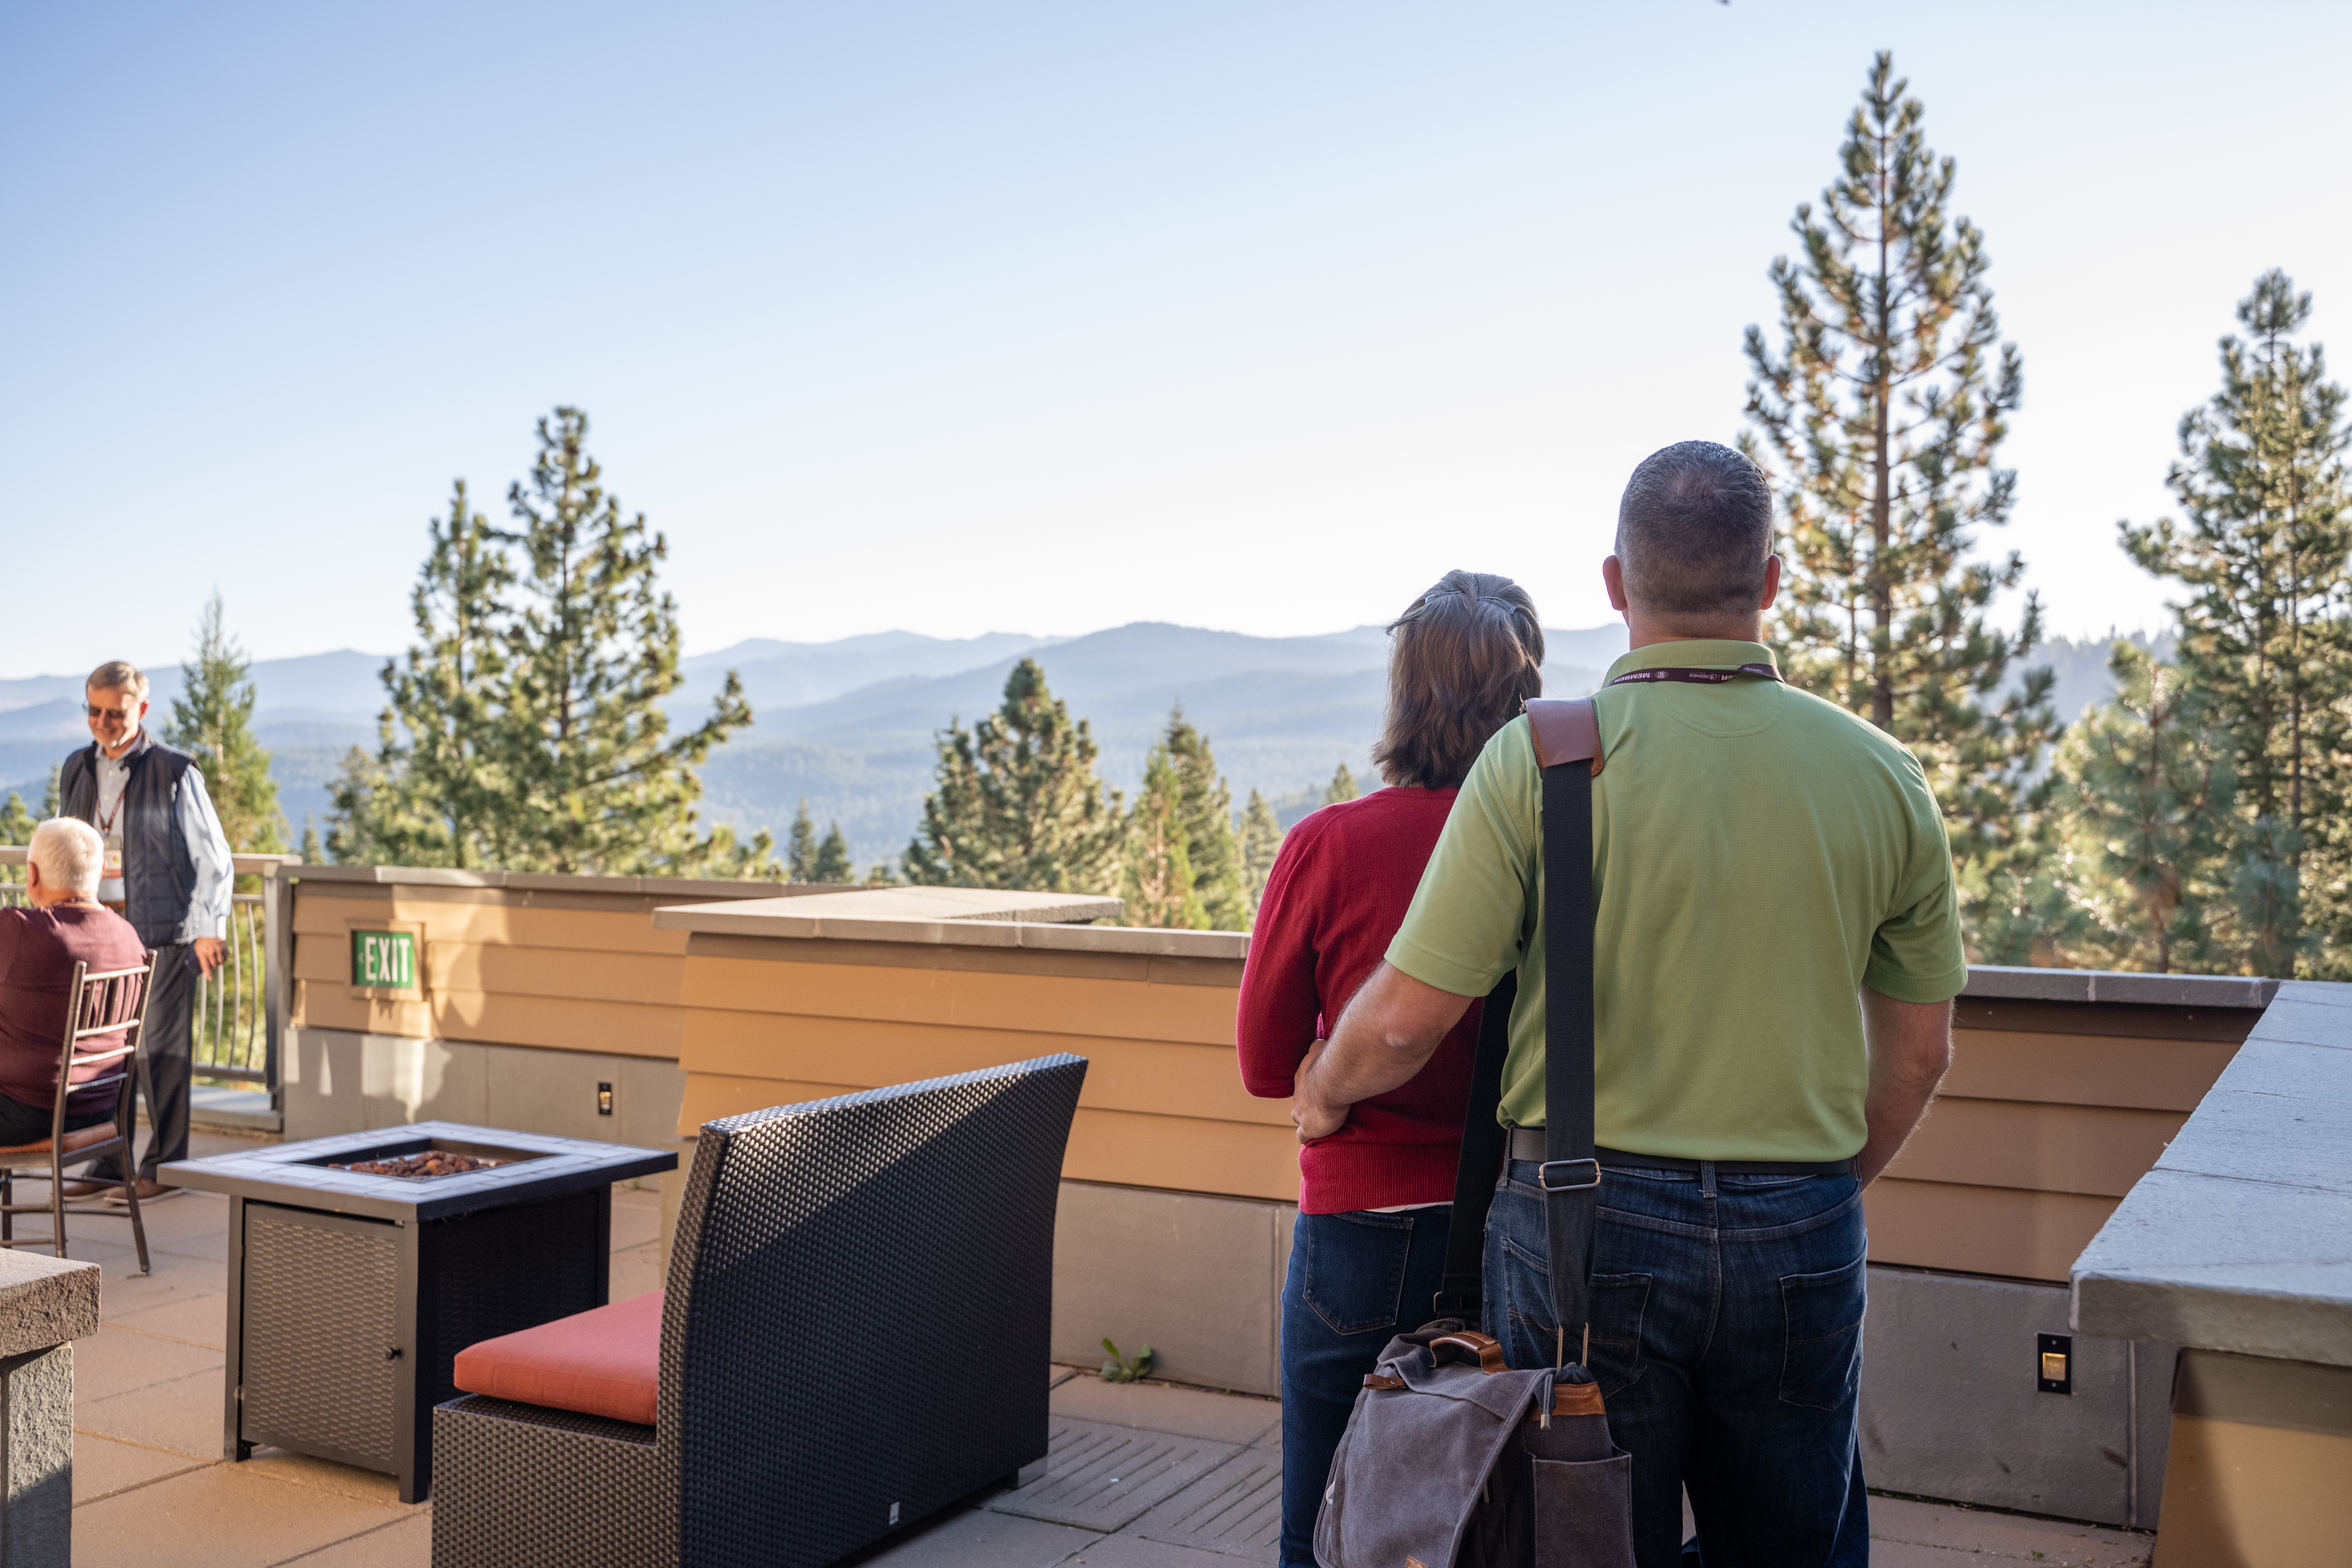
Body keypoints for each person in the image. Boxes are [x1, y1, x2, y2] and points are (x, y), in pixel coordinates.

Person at [1290, 441, 1965, 1568]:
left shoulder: (1543, 761)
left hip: (1579, 1223)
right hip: (1799, 1218)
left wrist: (1322, 1089)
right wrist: (1816, 1191)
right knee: (1792, 1542)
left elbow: (1408, 1018)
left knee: (1586, 1540)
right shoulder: (1881, 773)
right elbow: (1920, 1056)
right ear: (1772, 580)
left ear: (1616, 584)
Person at [1237, 570, 1548, 1568]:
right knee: (1489, 1522)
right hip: (1522, 1217)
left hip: (1359, 1230)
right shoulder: (1565, 850)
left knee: (1325, 1522)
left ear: (1404, 693)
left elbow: (1260, 1061)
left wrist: (1330, 1078)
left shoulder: (1330, 844)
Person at [59, 661, 234, 1201]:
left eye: (115, 712)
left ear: (141, 710)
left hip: (162, 931)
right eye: (94, 710)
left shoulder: (176, 771)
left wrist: (209, 928)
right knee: (107, 1054)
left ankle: (165, 1167)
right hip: (99, 932)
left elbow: (214, 858)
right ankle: (110, 1164)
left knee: (162, 1053)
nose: (103, 722)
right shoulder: (77, 767)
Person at [0, 819, 150, 1147]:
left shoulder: (18, 931)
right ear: (98, 874)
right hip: (100, 1109)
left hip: (26, 1113)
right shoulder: (129, 936)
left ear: (32, 874)